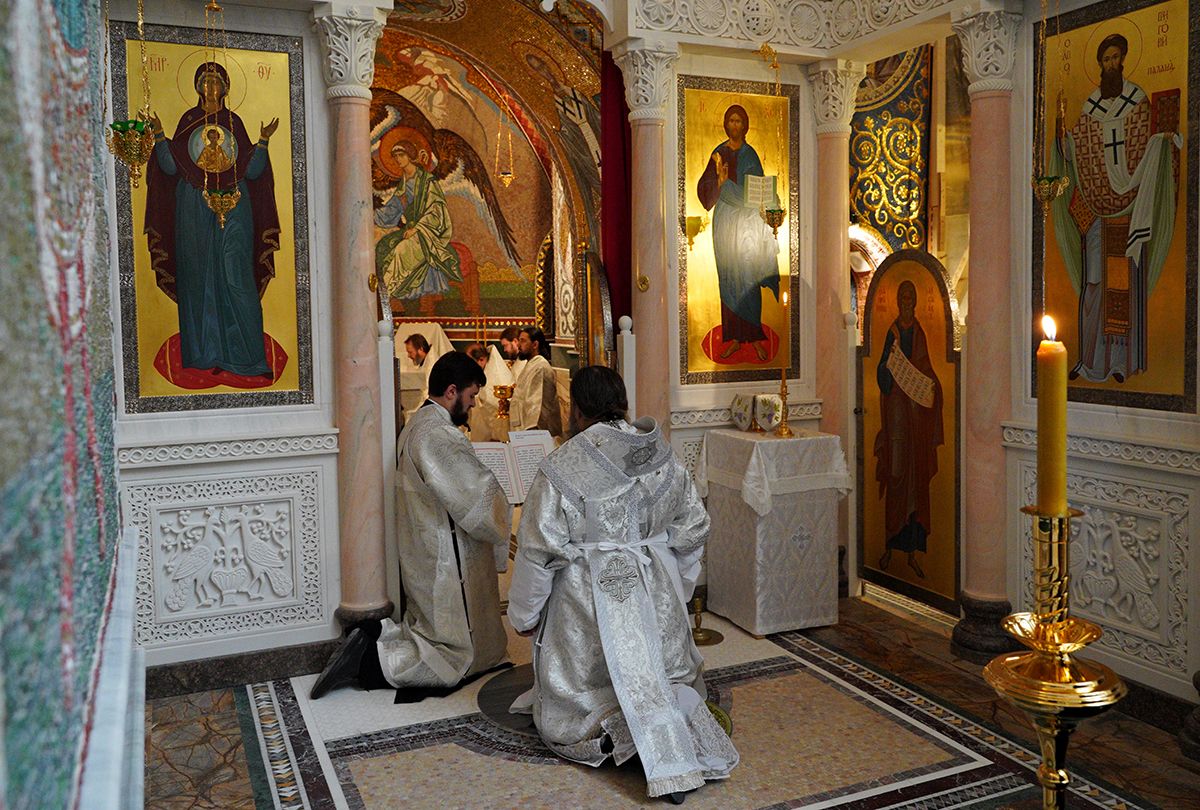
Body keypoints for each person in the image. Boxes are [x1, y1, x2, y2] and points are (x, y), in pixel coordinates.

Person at [508, 366, 738, 803]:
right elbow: (693, 529)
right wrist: (677, 588)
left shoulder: (562, 464)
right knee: (664, 676)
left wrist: (525, 615)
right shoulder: (662, 455)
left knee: (588, 695)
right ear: (623, 402)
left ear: (577, 409)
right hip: (654, 588)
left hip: (586, 599)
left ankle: (618, 732)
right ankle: (676, 718)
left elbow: (539, 550)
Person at [312, 352, 512, 700]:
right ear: (451, 391)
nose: (474, 404)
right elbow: (478, 497)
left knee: (446, 635)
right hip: (444, 557)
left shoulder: (418, 424)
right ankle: (370, 658)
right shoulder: (438, 434)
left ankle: (373, 639)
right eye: (471, 395)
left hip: (427, 545)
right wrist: (505, 505)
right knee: (450, 656)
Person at [1050, 33, 1182, 383]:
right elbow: (1078, 151)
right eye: (1104, 59)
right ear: (1100, 64)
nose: (1110, 64)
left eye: (1114, 58)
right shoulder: (1092, 106)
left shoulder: (1137, 101)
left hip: (1127, 214)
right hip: (1097, 213)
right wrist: (1062, 135)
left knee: (1123, 286)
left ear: (1123, 59)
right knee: (1094, 284)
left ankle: (1120, 363)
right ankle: (1090, 360)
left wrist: (1162, 140)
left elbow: (1148, 141)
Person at [146, 62, 281, 379]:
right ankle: (206, 355)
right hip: (194, 208)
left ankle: (248, 357)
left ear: (226, 87)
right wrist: (159, 135)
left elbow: (252, 171)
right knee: (199, 278)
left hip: (234, 208)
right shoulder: (189, 122)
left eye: (216, 81)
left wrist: (262, 141)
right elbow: (169, 167)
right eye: (204, 81)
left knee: (237, 276)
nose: (210, 86)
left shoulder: (233, 122)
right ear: (196, 86)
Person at [696, 104, 780, 363]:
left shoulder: (750, 155)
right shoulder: (718, 153)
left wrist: (770, 204)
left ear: (744, 126)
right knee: (728, 277)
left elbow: (758, 190)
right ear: (726, 124)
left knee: (748, 275)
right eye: (730, 121)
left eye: (738, 121)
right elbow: (704, 188)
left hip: (746, 224)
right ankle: (732, 338)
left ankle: (754, 338)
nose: (734, 125)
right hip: (724, 222)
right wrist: (718, 183)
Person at [874, 280, 943, 580]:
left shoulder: (919, 333)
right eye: (901, 296)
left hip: (917, 421)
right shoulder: (891, 332)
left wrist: (931, 386)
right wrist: (889, 367)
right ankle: (889, 546)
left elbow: (927, 370)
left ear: (915, 302)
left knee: (915, 480)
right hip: (897, 418)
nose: (905, 301)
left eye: (909, 297)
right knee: (897, 473)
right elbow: (881, 375)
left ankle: (913, 553)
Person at [524, 52, 601, 247]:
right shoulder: (552, 102)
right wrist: (558, 133)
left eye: (542, 65)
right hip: (581, 150)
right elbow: (562, 131)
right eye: (537, 69)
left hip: (596, 139)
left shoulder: (574, 91)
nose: (543, 71)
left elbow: (595, 115)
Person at [375, 140, 463, 307]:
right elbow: (394, 208)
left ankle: (386, 294)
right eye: (395, 157)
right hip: (410, 229)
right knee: (384, 247)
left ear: (411, 156)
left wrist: (417, 228)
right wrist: (370, 215)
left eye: (401, 155)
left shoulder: (427, 181)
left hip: (428, 231)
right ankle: (383, 297)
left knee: (401, 250)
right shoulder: (403, 181)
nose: (398, 160)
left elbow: (437, 211)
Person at [510, 326, 562, 439]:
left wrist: (530, 437)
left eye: (523, 341)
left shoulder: (541, 368)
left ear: (535, 345)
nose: (518, 345)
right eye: (519, 340)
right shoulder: (531, 365)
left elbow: (537, 407)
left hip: (535, 436)